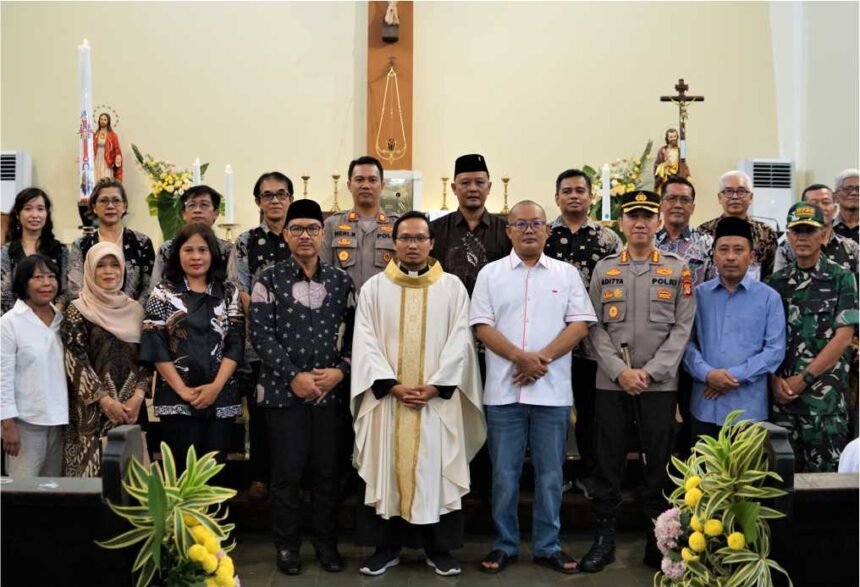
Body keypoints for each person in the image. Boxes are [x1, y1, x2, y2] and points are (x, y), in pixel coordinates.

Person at [353, 211, 485, 577]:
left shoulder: (452, 288)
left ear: (431, 243)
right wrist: (391, 385)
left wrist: (436, 386)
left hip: (435, 403)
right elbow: (364, 342)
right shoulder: (374, 288)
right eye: (406, 238)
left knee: (436, 471)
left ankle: (438, 549)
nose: (413, 245)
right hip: (389, 402)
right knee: (387, 471)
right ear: (394, 243)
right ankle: (386, 547)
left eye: (420, 238)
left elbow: (461, 341)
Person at [471, 200, 596, 576]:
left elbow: (579, 324)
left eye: (536, 223)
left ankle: (547, 545)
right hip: (503, 394)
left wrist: (538, 359)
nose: (528, 229)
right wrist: (519, 358)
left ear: (547, 230)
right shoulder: (491, 275)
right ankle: (505, 544)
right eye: (520, 223)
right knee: (504, 475)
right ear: (508, 231)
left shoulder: (566, 274)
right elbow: (482, 326)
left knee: (550, 476)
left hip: (552, 394)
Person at [581, 190, 695, 573]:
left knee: (658, 464)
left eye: (648, 215)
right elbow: (592, 326)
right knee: (608, 462)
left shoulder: (678, 269)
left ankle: (656, 538)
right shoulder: (605, 269)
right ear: (622, 223)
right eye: (633, 217)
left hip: (658, 386)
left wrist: (649, 372)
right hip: (612, 383)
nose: (641, 223)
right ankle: (604, 536)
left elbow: (682, 329)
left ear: (659, 220)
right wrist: (620, 371)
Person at [249, 199, 355, 575]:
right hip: (282, 394)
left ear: (323, 234)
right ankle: (287, 546)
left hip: (330, 394)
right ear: (286, 234)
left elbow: (356, 338)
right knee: (287, 474)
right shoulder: (267, 279)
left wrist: (341, 371)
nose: (305, 236)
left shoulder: (342, 282)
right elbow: (261, 335)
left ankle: (326, 544)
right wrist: (294, 374)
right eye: (297, 229)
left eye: (312, 228)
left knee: (327, 474)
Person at [544, 168, 621, 498]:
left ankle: (591, 475)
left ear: (591, 197)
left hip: (593, 345)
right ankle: (554, 475)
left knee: (592, 414)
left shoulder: (608, 239)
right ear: (557, 197)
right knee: (554, 414)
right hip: (551, 344)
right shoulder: (544, 234)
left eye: (580, 190)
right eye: (567, 191)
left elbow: (617, 287)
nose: (574, 196)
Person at [141, 224, 244, 469]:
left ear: (213, 254)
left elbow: (236, 342)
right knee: (180, 472)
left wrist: (215, 387)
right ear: (177, 254)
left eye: (202, 250)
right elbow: (155, 345)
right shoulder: (162, 293)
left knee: (214, 474)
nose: (196, 257)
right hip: (176, 396)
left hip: (221, 395)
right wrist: (182, 390)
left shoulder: (228, 292)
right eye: (188, 250)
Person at [767, 203, 858, 473]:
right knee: (780, 485)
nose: (802, 237)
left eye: (810, 230)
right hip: (782, 401)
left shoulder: (842, 278)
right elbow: (762, 338)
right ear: (789, 236)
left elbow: (843, 337)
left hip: (824, 406)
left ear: (824, 234)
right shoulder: (775, 283)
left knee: (826, 488)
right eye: (796, 231)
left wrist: (804, 379)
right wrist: (772, 380)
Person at [683, 217, 785, 440]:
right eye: (724, 250)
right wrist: (707, 374)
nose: (730, 256)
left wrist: (731, 378)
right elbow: (685, 342)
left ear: (751, 256)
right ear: (714, 256)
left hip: (748, 410)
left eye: (738, 250)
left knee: (746, 475)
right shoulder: (698, 296)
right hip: (704, 406)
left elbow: (774, 350)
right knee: (702, 474)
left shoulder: (769, 298)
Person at [227, 171, 294, 500]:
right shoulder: (246, 241)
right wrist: (272, 320)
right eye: (268, 195)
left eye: (281, 194)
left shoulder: (301, 235)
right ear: (258, 202)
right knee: (261, 412)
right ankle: (260, 477)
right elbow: (240, 288)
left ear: (290, 199)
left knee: (296, 416)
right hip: (259, 343)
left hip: (299, 344)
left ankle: (294, 478)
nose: (275, 201)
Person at [61, 242, 152, 477]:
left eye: (114, 265)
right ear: (90, 270)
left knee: (132, 482)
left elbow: (148, 358)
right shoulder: (77, 309)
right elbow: (75, 360)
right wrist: (104, 400)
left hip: (131, 408)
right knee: (93, 482)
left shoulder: (136, 311)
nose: (109, 271)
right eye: (101, 265)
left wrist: (138, 397)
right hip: (91, 411)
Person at [0, 254, 69, 478]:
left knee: (54, 494)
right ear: (23, 282)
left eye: (51, 276)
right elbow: (3, 374)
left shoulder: (63, 320)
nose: (47, 283)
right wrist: (7, 425)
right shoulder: (10, 322)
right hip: (24, 424)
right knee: (22, 495)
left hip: (59, 422)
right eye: (38, 277)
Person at [430, 154, 511, 295]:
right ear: (454, 188)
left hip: (493, 311)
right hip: (447, 310)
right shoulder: (434, 230)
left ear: (489, 187)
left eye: (480, 182)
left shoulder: (507, 231)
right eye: (465, 183)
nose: (473, 188)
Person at [69, 178, 155, 302]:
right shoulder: (81, 245)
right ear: (94, 207)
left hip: (134, 316)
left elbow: (149, 287)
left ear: (124, 206)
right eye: (103, 201)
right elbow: (75, 287)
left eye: (116, 201)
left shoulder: (141, 243)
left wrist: (133, 311)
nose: (110, 206)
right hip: (92, 315)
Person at [321, 155, 398, 293]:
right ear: (349, 185)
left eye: (372, 180)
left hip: (383, 307)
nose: (366, 185)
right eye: (359, 180)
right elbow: (322, 271)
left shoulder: (397, 226)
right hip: (343, 308)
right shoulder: (332, 225)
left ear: (382, 186)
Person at [148, 185, 233, 297]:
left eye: (204, 205)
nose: (197, 210)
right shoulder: (167, 249)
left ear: (216, 213)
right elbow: (154, 290)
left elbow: (232, 289)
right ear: (183, 213)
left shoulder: (227, 250)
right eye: (192, 205)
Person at [697, 170, 778, 280]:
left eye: (741, 191)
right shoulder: (703, 232)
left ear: (751, 197)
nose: (735, 197)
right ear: (720, 198)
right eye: (729, 191)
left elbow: (770, 274)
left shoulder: (766, 233)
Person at [1, 188, 68, 314]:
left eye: (40, 209)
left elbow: (65, 291)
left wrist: (53, 314)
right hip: (15, 320)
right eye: (28, 209)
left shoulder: (60, 251)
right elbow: (5, 293)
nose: (34, 215)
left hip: (52, 320)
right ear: (17, 214)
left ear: (47, 214)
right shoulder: (6, 252)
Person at [774, 184, 859, 275]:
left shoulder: (851, 247)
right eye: (813, 203)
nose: (820, 208)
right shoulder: (788, 247)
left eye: (826, 202)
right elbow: (778, 284)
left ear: (834, 209)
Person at [655, 175, 713, 287]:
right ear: (661, 205)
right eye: (671, 198)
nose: (678, 205)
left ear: (692, 208)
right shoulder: (648, 243)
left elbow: (714, 288)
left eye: (685, 200)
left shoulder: (707, 244)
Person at [653, 129, 690, 194]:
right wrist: (664, 165)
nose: (673, 139)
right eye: (671, 137)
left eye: (675, 136)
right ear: (667, 138)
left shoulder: (681, 151)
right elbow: (656, 165)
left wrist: (688, 176)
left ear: (677, 137)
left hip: (677, 178)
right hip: (665, 179)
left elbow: (684, 165)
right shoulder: (662, 150)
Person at [93, 112, 123, 182]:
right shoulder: (95, 134)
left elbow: (117, 148)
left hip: (107, 160)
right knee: (96, 176)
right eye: (101, 119)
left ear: (108, 121)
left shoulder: (112, 135)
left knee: (106, 178)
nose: (102, 121)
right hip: (96, 159)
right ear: (99, 121)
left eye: (105, 120)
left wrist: (118, 156)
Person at [833, 169, 859, 243]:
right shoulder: (827, 228)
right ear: (836, 196)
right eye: (848, 189)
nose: (854, 193)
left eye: (858, 189)